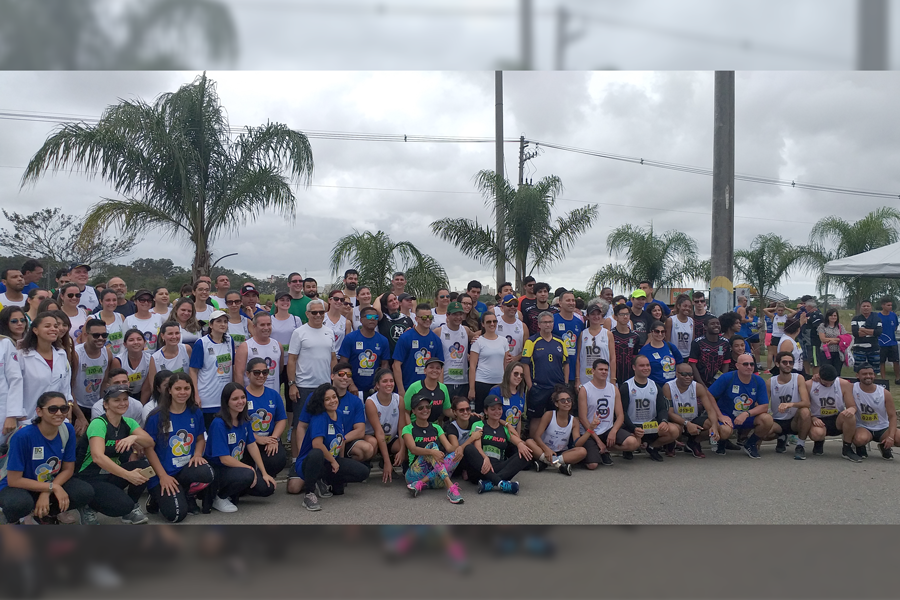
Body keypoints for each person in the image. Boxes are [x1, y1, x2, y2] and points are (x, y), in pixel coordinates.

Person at [0, 392, 93, 525]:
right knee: (19, 504)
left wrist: (47, 490)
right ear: (39, 411)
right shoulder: (23, 436)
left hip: (48, 481)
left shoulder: (67, 430)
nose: (59, 413)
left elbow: (68, 469)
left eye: (64, 408)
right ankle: (14, 521)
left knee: (84, 492)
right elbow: (14, 480)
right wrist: (52, 487)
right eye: (52, 409)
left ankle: (44, 514)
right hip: (18, 486)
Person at [74, 385, 154, 525]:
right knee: (121, 506)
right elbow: (98, 457)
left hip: (110, 474)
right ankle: (87, 506)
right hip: (89, 477)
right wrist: (128, 475)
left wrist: (133, 438)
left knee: (143, 467)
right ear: (106, 404)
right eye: (117, 400)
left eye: (125, 399)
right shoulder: (99, 423)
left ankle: (132, 506)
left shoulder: (128, 423)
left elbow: (149, 442)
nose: (122, 403)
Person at [286, 384, 370, 511]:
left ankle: (323, 479)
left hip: (328, 461)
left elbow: (340, 440)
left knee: (362, 473)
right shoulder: (319, 417)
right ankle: (309, 494)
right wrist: (334, 461)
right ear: (322, 402)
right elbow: (317, 445)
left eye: (334, 397)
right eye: (327, 399)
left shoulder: (339, 414)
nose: (333, 401)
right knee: (317, 453)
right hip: (310, 462)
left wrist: (340, 462)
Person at [142, 373, 214, 522]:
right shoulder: (156, 416)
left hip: (185, 468)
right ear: (169, 390)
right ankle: (155, 496)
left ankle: (186, 493)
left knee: (208, 473)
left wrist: (198, 454)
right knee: (176, 516)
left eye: (186, 388)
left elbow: (200, 438)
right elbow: (148, 449)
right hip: (162, 473)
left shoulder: (195, 412)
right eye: (178, 388)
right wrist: (162, 476)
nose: (183, 392)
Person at [203, 383, 276, 513]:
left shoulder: (244, 419)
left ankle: (235, 490)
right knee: (248, 474)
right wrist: (250, 470)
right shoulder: (219, 424)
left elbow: (252, 445)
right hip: (219, 469)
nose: (240, 402)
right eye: (235, 399)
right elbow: (224, 459)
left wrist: (264, 473)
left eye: (243, 397)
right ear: (226, 402)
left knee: (267, 487)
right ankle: (219, 497)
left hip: (235, 468)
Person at [4, 313, 78, 434]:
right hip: (29, 420)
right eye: (47, 326)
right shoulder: (22, 355)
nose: (54, 329)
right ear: (35, 330)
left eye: (55, 326)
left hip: (56, 418)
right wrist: (20, 415)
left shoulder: (61, 354)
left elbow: (65, 386)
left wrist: (68, 405)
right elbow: (14, 386)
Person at [286, 299, 336, 460]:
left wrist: (333, 380)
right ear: (307, 314)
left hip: (325, 387)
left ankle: (320, 459)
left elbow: (333, 358)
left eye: (321, 312)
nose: (318, 315)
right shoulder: (299, 332)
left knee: (321, 425)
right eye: (314, 312)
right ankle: (297, 460)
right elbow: (292, 360)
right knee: (299, 425)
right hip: (304, 386)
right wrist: (292, 384)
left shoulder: (329, 332)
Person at [401, 394, 468, 504]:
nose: (425, 410)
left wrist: (460, 448)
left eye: (428, 407)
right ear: (413, 411)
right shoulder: (408, 428)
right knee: (432, 446)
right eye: (420, 408)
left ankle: (421, 484)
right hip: (414, 475)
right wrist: (432, 451)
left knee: (457, 453)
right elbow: (413, 449)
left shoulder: (436, 427)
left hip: (436, 479)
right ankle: (450, 487)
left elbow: (449, 448)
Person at [707, 354, 774, 459]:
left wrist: (746, 414)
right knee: (725, 431)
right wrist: (720, 415)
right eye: (745, 364)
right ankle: (721, 442)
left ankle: (750, 444)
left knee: (767, 419)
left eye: (752, 364)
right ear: (737, 366)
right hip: (727, 415)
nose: (749, 367)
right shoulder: (727, 377)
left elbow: (764, 406)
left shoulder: (758, 381)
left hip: (745, 416)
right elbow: (709, 394)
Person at [461, 394, 531, 494]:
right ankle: (501, 483)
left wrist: (520, 444)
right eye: (493, 409)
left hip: (498, 468)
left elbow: (515, 439)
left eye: (499, 409)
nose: (497, 412)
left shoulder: (504, 428)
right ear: (486, 411)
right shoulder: (478, 425)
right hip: (481, 467)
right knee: (468, 448)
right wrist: (485, 458)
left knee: (526, 453)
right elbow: (477, 446)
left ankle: (490, 483)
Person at [577, 358, 639, 468]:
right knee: (592, 465)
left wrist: (613, 431)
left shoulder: (614, 389)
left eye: (606, 370)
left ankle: (605, 449)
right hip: (590, 431)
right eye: (600, 369)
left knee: (633, 443)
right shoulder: (585, 389)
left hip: (607, 429)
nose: (604, 372)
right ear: (593, 371)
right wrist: (597, 439)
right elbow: (582, 418)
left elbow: (620, 415)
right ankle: (597, 450)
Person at [619, 355, 679, 461]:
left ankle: (652, 447)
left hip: (650, 425)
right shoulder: (626, 386)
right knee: (633, 443)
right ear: (634, 367)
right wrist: (633, 428)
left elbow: (662, 408)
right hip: (632, 426)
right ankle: (628, 450)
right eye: (641, 365)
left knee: (673, 430)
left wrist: (664, 421)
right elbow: (622, 412)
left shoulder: (655, 386)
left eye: (647, 365)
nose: (646, 368)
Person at [521, 311, 568, 438]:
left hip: (557, 387)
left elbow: (566, 363)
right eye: (545, 322)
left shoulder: (560, 341)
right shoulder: (532, 341)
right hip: (539, 387)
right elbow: (525, 364)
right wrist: (530, 384)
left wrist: (565, 383)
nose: (548, 325)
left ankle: (552, 445)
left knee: (555, 418)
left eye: (550, 322)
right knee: (536, 418)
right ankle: (534, 447)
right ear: (539, 324)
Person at [525, 385, 589, 475]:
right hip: (544, 449)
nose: (566, 402)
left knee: (582, 451)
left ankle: (546, 463)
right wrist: (546, 450)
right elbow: (537, 436)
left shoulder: (574, 421)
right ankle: (559, 466)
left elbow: (577, 443)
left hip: (562, 453)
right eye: (562, 400)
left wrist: (590, 429)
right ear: (556, 403)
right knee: (529, 442)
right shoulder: (549, 415)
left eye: (569, 400)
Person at [189, 310, 236, 429]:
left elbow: (233, 366)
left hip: (225, 397)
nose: (223, 324)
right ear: (210, 325)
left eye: (225, 321)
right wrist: (196, 394)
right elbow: (193, 370)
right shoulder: (201, 343)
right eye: (219, 321)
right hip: (207, 398)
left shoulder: (229, 340)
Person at [806, 364, 860, 461]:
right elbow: (805, 406)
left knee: (850, 416)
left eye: (831, 383)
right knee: (817, 434)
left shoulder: (843, 384)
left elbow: (852, 406)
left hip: (837, 418)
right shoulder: (810, 384)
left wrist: (852, 409)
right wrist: (813, 417)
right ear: (819, 377)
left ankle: (847, 449)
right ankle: (819, 442)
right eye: (825, 383)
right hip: (819, 418)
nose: (828, 385)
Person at [765, 351, 811, 460]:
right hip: (778, 420)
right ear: (777, 364)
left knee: (805, 411)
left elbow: (806, 402)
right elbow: (764, 405)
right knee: (763, 432)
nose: (788, 365)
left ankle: (800, 446)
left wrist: (790, 404)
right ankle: (781, 437)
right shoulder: (770, 382)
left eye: (790, 362)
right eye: (784, 362)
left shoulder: (798, 378)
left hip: (794, 421)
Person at [663, 364, 716, 458]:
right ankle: (670, 443)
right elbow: (669, 413)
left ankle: (694, 442)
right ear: (677, 374)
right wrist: (687, 423)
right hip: (676, 420)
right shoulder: (668, 387)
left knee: (712, 424)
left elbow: (710, 410)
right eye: (684, 374)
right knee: (674, 429)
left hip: (693, 419)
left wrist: (715, 427)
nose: (688, 377)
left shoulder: (698, 387)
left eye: (690, 374)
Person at [392, 303, 444, 397]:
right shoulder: (405, 337)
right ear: (416, 319)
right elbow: (396, 365)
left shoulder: (436, 339)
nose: (427, 320)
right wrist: (401, 390)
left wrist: (441, 388)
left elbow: (440, 366)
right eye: (424, 317)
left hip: (430, 389)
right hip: (408, 388)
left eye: (430, 317)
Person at [850, 363, 900, 460]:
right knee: (860, 439)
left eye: (870, 374)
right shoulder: (851, 388)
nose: (868, 376)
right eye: (864, 374)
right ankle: (860, 446)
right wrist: (816, 377)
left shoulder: (884, 393)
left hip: (883, 427)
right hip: (863, 426)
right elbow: (834, 381)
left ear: (874, 375)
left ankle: (884, 446)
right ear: (857, 376)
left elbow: (892, 416)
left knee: (898, 438)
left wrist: (890, 437)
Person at [338, 306, 389, 397]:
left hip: (374, 389)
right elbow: (343, 363)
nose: (372, 319)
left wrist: (379, 383)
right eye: (369, 317)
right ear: (361, 320)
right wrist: (350, 384)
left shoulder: (383, 340)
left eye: (375, 317)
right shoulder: (350, 338)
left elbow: (384, 364)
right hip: (353, 389)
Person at [71, 318, 115, 422]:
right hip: (78, 405)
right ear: (86, 335)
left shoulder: (107, 353)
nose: (101, 338)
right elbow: (69, 387)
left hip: (97, 404)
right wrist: (79, 416)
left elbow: (105, 381)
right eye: (96, 335)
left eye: (104, 335)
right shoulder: (76, 355)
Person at [364, 368, 404, 482]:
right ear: (377, 385)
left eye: (391, 381)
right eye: (385, 381)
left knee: (406, 445)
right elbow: (379, 432)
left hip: (390, 438)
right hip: (374, 436)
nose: (389, 384)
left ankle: (389, 462)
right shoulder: (371, 402)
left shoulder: (399, 399)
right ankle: (366, 464)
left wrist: (402, 450)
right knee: (372, 443)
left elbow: (401, 428)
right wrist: (387, 462)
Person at [468, 312, 510, 413]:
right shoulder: (478, 342)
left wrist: (507, 384)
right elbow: (472, 367)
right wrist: (472, 389)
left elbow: (506, 365)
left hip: (499, 384)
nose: (492, 324)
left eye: (494, 321)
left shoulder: (504, 341)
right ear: (483, 324)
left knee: (498, 413)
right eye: (488, 322)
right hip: (482, 383)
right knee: (481, 414)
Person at [147, 321, 192, 398]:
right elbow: (153, 386)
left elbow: (193, 374)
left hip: (184, 395)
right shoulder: (155, 358)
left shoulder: (187, 349)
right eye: (170, 334)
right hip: (165, 398)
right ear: (162, 336)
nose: (174, 337)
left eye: (177, 333)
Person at [402, 357, 451, 425]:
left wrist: (463, 414)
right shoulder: (414, 387)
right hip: (416, 426)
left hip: (434, 427)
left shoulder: (443, 388)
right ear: (425, 370)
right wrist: (410, 430)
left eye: (438, 368)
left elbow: (447, 410)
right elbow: (405, 411)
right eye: (431, 367)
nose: (434, 370)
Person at [553, 291, 584, 394]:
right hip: (556, 371)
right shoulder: (553, 320)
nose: (571, 303)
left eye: (573, 300)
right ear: (560, 303)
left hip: (574, 371)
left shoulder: (579, 322)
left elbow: (579, 348)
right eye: (568, 300)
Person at [688, 316, 731, 387]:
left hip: (718, 382)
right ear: (705, 327)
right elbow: (692, 365)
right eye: (712, 324)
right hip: (700, 382)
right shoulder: (697, 342)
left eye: (718, 323)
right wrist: (702, 385)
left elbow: (726, 364)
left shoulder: (725, 343)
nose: (716, 325)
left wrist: (721, 382)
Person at [638, 320, 684, 386]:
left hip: (672, 386)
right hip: (655, 385)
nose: (660, 334)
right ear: (652, 332)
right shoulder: (644, 350)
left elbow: (680, 363)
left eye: (663, 332)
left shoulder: (671, 346)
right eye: (657, 331)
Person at [488, 362, 527, 438]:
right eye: (516, 374)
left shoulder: (522, 395)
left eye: (521, 375)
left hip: (513, 435)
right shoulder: (496, 391)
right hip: (497, 433)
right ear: (508, 373)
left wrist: (518, 437)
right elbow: (489, 415)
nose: (519, 377)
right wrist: (507, 425)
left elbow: (518, 419)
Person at [610, 303, 642, 385]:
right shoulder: (610, 335)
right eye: (622, 314)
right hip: (613, 376)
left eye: (627, 314)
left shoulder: (635, 336)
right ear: (616, 317)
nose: (625, 317)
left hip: (630, 376)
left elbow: (635, 355)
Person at [93, 289, 128, 359]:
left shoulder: (121, 317)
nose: (111, 303)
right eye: (108, 300)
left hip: (119, 359)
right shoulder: (93, 318)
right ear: (101, 301)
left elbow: (126, 339)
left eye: (114, 300)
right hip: (101, 359)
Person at [119, 328, 152, 400]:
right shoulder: (118, 361)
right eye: (131, 340)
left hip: (142, 394)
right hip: (122, 394)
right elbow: (116, 386)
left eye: (139, 339)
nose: (136, 342)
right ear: (125, 344)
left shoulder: (150, 360)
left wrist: (141, 408)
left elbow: (146, 389)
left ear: (145, 342)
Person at [764, 302, 797, 371]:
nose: (780, 312)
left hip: (783, 337)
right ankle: (776, 367)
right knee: (776, 354)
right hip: (775, 336)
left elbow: (794, 312)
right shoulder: (774, 316)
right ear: (776, 310)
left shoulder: (786, 316)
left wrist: (786, 308)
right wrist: (774, 308)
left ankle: (783, 366)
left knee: (783, 353)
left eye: (782, 310)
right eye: (779, 310)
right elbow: (765, 310)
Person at [817, 308, 849, 375]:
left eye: (835, 316)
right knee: (826, 371)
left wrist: (831, 341)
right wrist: (837, 339)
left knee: (837, 372)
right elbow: (823, 339)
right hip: (826, 352)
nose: (833, 317)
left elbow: (845, 339)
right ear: (827, 316)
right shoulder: (822, 326)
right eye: (831, 315)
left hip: (838, 352)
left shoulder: (840, 326)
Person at [877, 296, 900, 384]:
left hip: (892, 342)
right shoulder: (878, 316)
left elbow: (895, 326)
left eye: (891, 305)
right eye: (888, 305)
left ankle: (898, 378)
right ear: (883, 306)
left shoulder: (893, 315)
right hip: (881, 343)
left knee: (896, 361)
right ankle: (883, 379)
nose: (890, 307)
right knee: (882, 362)